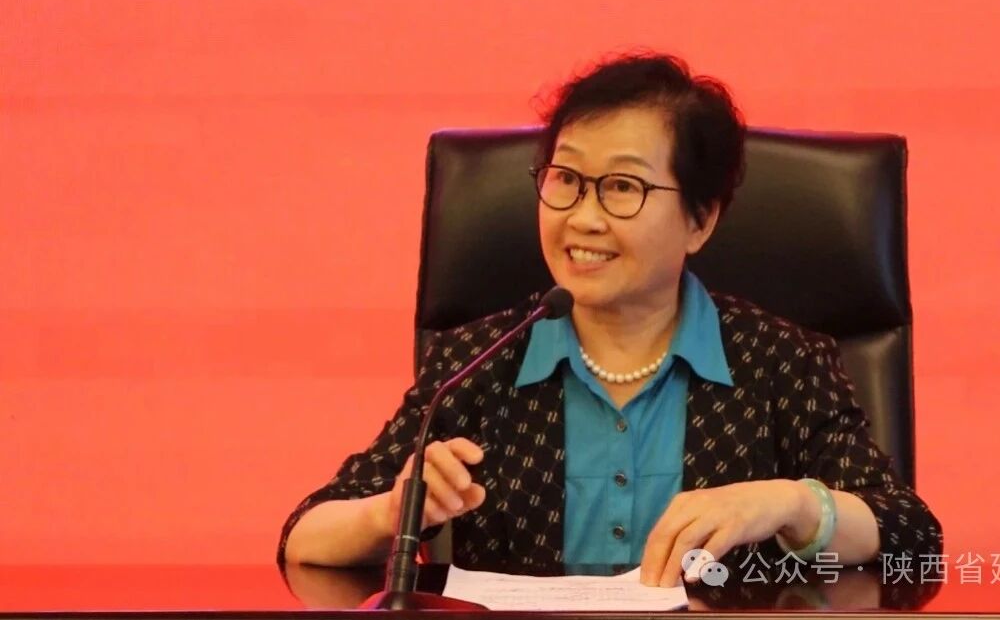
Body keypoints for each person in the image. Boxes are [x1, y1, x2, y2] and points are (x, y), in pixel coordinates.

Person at [278, 53, 942, 587]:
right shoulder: (479, 361)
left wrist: (791, 503)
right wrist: (391, 511)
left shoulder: (780, 361)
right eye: (565, 179)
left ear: (700, 219)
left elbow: (913, 535)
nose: (583, 217)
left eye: (623, 187)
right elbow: (305, 535)